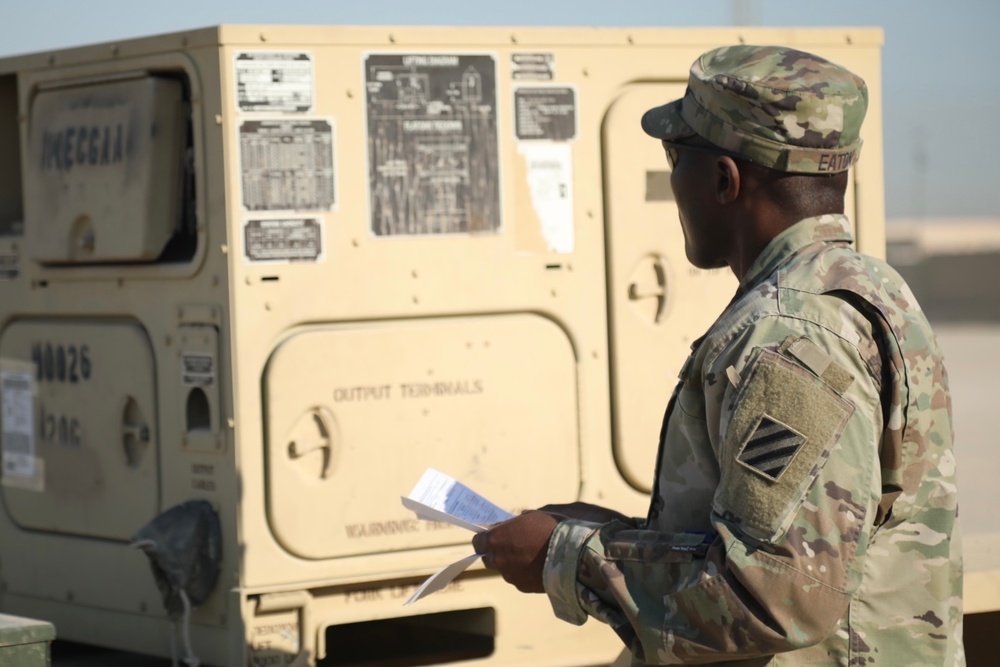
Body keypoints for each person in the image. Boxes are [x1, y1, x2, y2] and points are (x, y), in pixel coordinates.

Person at [472, 45, 963, 666]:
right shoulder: (870, 286)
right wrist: (614, 536)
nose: (672, 181)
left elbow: (775, 596)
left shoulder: (790, 333)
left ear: (724, 180)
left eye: (675, 157)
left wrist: (566, 556)